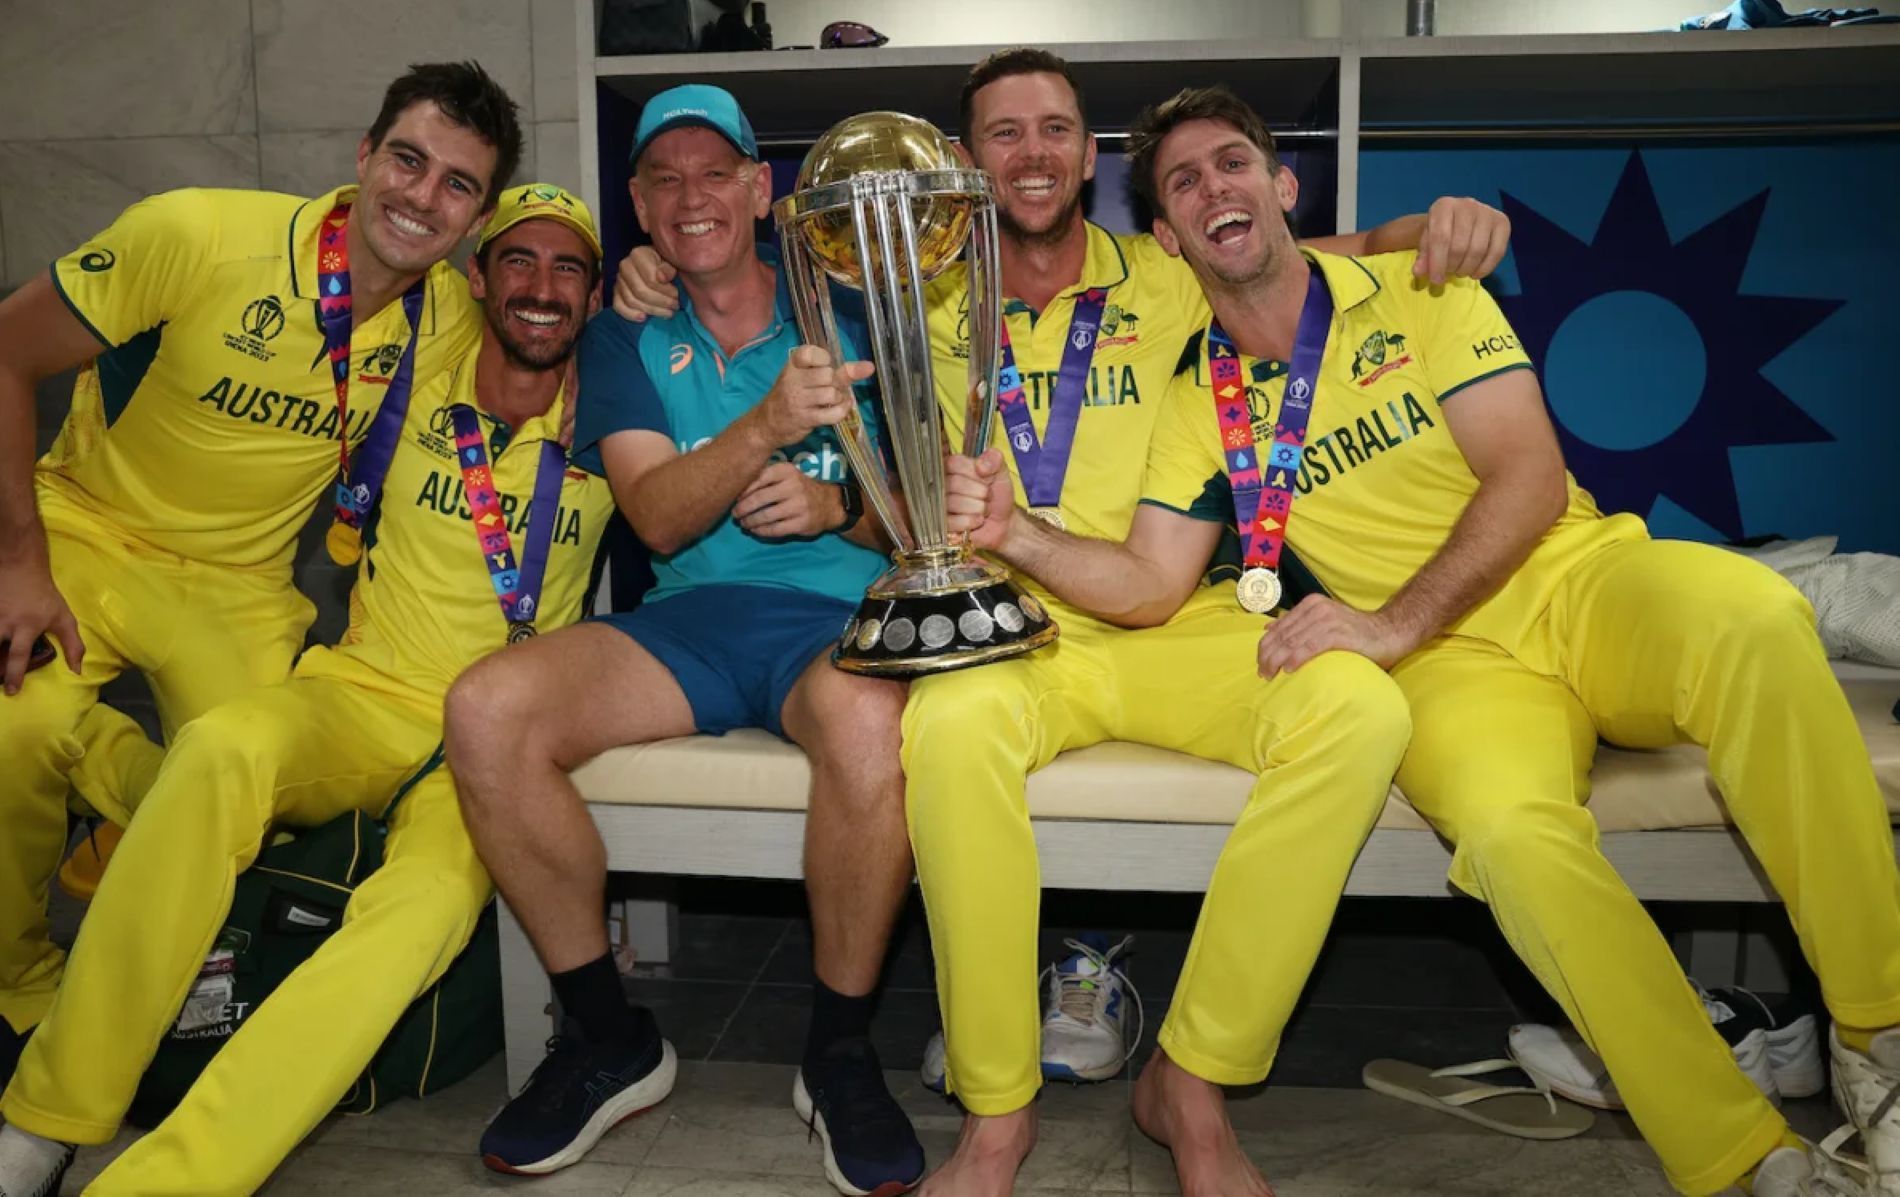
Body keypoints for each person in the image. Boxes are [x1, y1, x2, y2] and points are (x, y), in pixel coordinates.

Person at [610, 50, 1512, 1111]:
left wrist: (1443, 225)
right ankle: (997, 1106)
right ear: (962, 161)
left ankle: (1196, 1073)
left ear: (1091, 157)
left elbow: (1334, 257)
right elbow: (811, 363)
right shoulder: (908, 296)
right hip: (1007, 618)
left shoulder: (1175, 267)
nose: (1030, 154)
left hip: (1175, 607)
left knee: (1359, 709)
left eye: (1053, 131)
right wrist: (651, 270)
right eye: (1002, 133)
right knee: (937, 732)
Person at [1115, 83, 1900, 1197]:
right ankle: (1743, 1156)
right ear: (1165, 235)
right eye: (1183, 182)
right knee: (1510, 837)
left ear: (1282, 187)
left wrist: (1392, 620)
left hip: (1572, 577)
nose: (1213, 188)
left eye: (1232, 162)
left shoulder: (1421, 287)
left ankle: (1878, 1029)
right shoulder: (1199, 395)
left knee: (1762, 617)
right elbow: (1151, 570)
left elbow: (1527, 477)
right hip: (1447, 671)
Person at [0, 183, 617, 1197]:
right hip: (361, 694)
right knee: (219, 750)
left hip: (503, 739)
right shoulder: (419, 369)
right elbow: (338, 284)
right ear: (477, 279)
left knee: (416, 917)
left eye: (569, 270)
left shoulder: (615, 412)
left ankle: (173, 1181)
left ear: (594, 298)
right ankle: (51, 1114)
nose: (541, 287)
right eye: (517, 260)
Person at [0, 60, 516, 1089]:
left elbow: (552, 351)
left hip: (237, 584)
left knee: (265, 796)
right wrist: (17, 559)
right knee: (14, 729)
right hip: (87, 536)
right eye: (408, 160)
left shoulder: (448, 317)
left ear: (476, 216)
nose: (422, 197)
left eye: (457, 184)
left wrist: (635, 291)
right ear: (364, 155)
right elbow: (6, 354)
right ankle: (23, 986)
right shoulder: (196, 234)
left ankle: (109, 795)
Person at [445, 86, 923, 1195]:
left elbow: (923, 506)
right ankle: (610, 1037)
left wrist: (836, 509)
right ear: (640, 209)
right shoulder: (623, 330)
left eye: (716, 173)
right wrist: (768, 427)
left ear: (762, 189)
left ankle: (838, 1053)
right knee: (486, 707)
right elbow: (656, 515)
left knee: (867, 714)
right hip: (686, 626)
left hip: (833, 621)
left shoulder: (847, 307)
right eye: (664, 180)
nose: (691, 196)